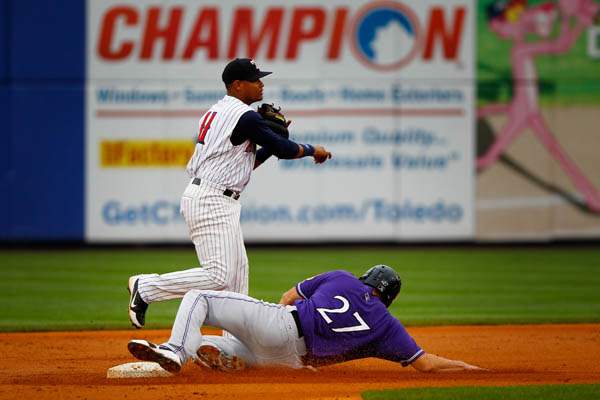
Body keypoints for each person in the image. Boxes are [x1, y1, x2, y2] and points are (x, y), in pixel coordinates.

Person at [128, 58, 332, 329]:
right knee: (219, 276)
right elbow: (286, 149)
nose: (261, 85)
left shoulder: (220, 112)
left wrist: (273, 143)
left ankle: (232, 347)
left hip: (218, 197)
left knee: (237, 278)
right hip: (211, 198)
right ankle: (147, 287)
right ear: (237, 85)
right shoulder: (243, 116)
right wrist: (310, 149)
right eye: (255, 80)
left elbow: (246, 163)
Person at [127, 265, 484, 373]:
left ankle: (176, 350)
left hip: (283, 324)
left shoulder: (344, 278)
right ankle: (233, 355)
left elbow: (288, 297)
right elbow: (427, 364)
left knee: (199, 297)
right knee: (237, 345)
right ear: (388, 297)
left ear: (367, 279)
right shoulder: (386, 327)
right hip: (293, 362)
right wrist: (471, 371)